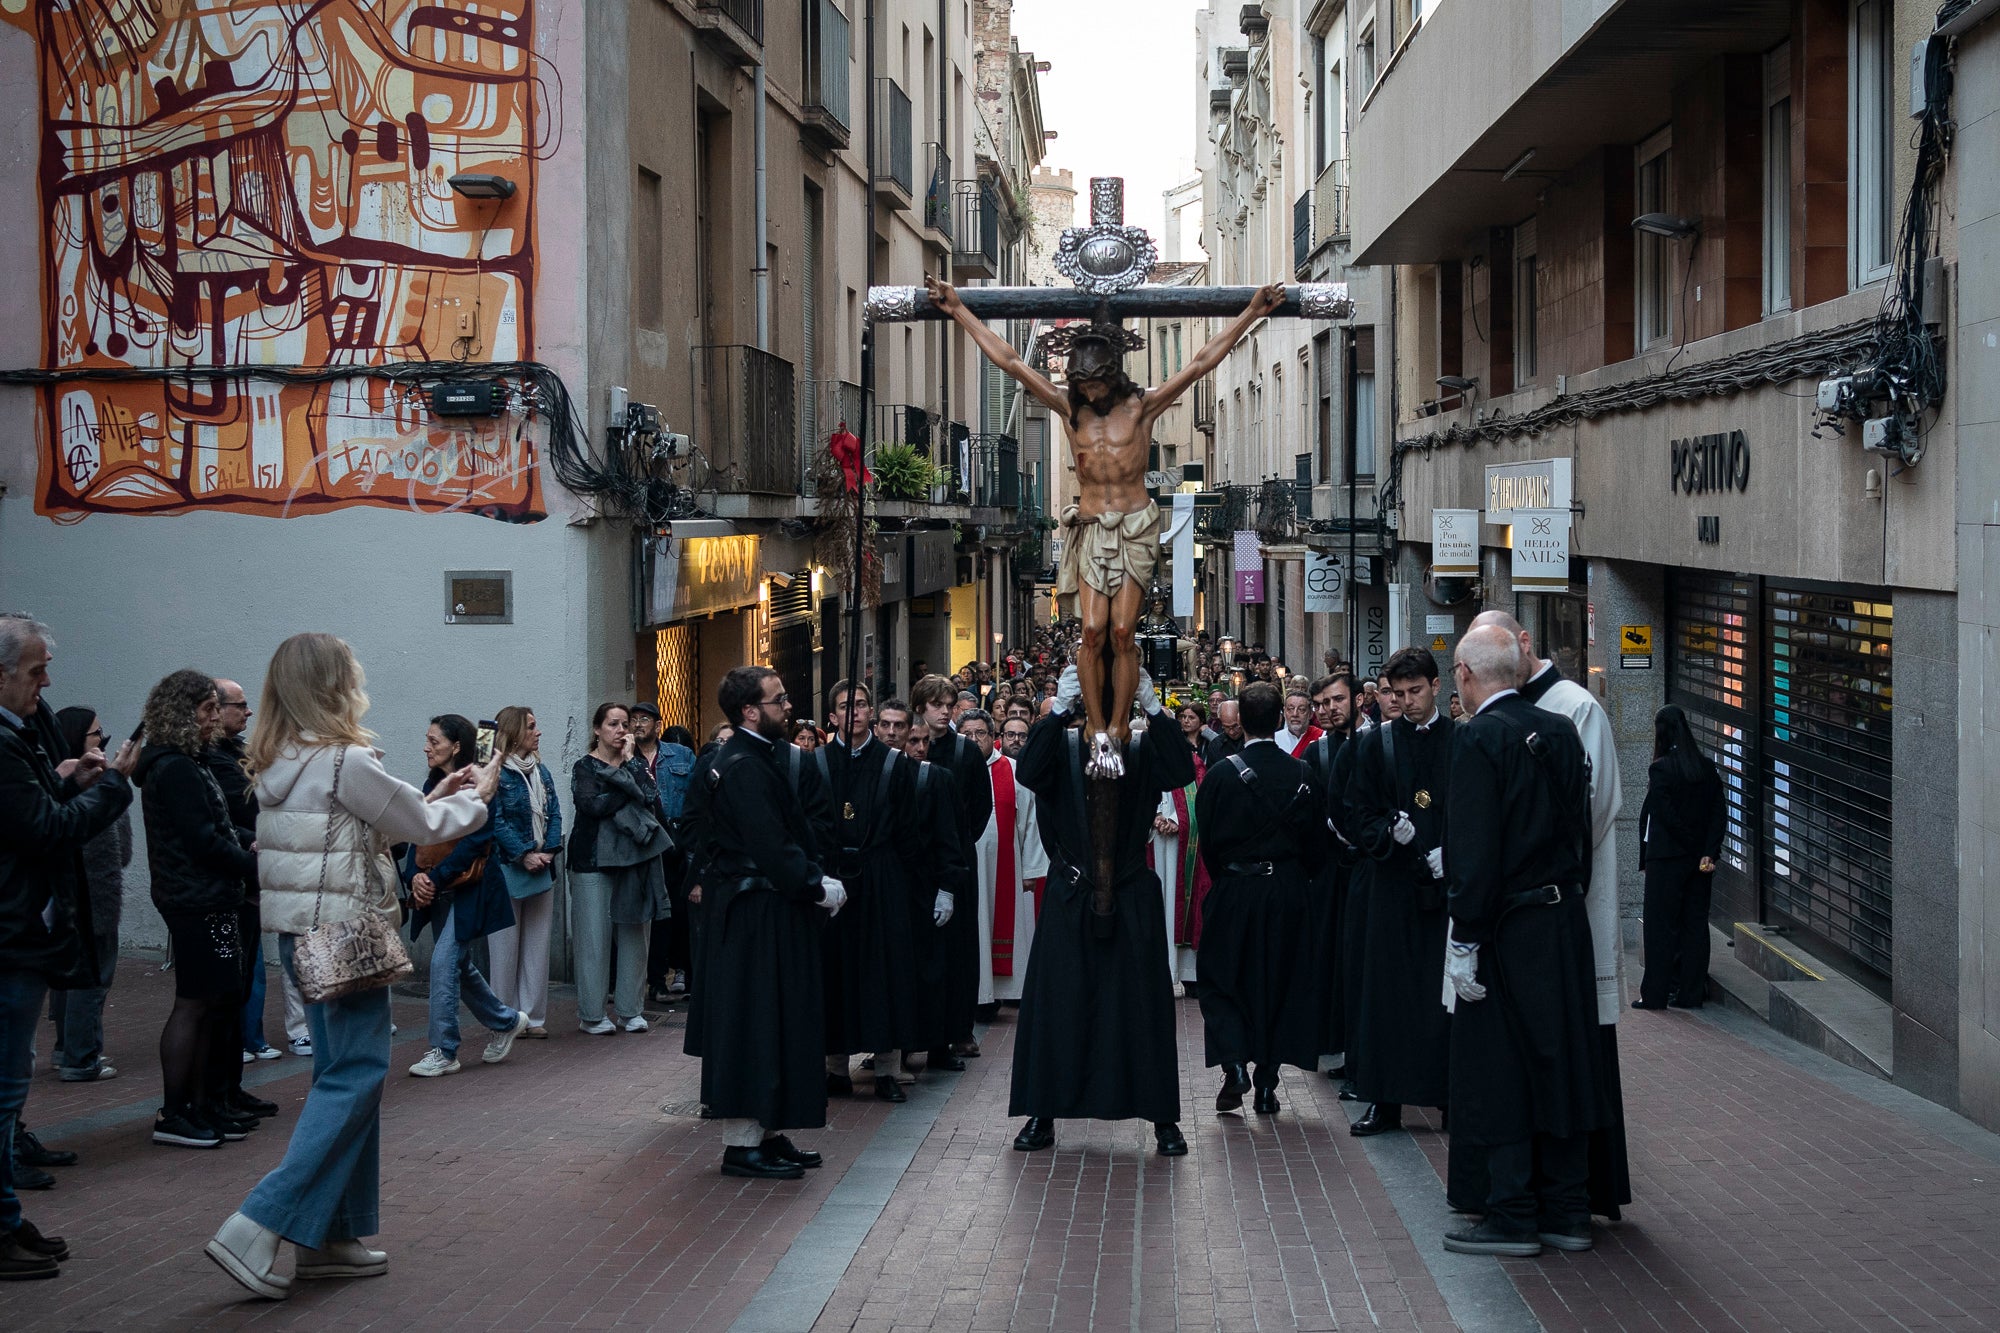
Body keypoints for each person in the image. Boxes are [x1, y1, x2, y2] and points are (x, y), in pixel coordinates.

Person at [206, 632, 494, 1298]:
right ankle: (260, 1220)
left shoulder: (278, 757)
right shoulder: (343, 759)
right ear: (334, 683)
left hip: (302, 933)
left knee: (343, 1073)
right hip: (348, 930)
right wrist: (474, 795)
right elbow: (421, 822)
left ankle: (332, 1234)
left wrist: (437, 796)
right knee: (355, 1076)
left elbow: (370, 825)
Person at [929, 274, 1284, 777]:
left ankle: (1119, 724)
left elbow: (1203, 361)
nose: (1088, 390)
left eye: (1095, 383)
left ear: (1113, 375)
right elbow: (1008, 360)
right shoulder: (1068, 407)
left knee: (1122, 631)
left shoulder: (1142, 406)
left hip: (1137, 525)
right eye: (1081, 383)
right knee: (1091, 632)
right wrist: (959, 309)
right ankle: (1097, 726)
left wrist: (1252, 312)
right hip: (1093, 528)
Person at [1440, 626, 1608, 1257]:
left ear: (1463, 675)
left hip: (1506, 929)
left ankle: (1512, 1212)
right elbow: (1582, 830)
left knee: (1500, 1068)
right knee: (1563, 1061)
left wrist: (1464, 938)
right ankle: (1568, 1210)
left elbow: (1474, 854)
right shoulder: (1560, 730)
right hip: (1561, 922)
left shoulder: (1477, 739)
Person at [1470, 609, 1632, 1218]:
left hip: (1560, 901)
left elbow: (1590, 810)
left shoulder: (1573, 706)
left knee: (1565, 1050)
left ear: (1524, 645)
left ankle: (1566, 1193)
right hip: (1524, 908)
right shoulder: (1500, 712)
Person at [1010, 665, 1194, 1157]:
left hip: (1132, 890)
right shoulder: (1062, 745)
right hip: (1071, 890)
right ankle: (1042, 1113)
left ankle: (1163, 1119)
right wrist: (1057, 711)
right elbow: (1027, 771)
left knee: (1143, 1008)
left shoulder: (1142, 746)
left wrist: (1157, 711)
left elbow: (1181, 772)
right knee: (1058, 1004)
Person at [1, 616, 135, 1280]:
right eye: (35, 670)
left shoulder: (17, 737)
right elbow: (43, 831)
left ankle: (5, 1216)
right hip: (12, 937)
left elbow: (36, 814)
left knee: (9, 1082)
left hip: (24, 932)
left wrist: (69, 780)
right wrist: (108, 786)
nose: (46, 682)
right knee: (4, 1086)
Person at [682, 667, 845, 1179]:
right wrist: (813, 883)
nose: (787, 706)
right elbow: (767, 842)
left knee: (775, 1019)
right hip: (754, 913)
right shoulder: (742, 764)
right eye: (777, 700)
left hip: (767, 909)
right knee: (753, 1021)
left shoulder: (756, 756)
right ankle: (743, 1143)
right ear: (750, 710)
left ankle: (768, 1132)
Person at [134, 669, 261, 1149]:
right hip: (195, 900)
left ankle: (206, 1103)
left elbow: (222, 830)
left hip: (211, 897)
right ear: (184, 713)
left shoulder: (190, 762)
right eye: (208, 709)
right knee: (195, 1003)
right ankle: (176, 1111)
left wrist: (246, 851)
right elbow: (204, 841)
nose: (214, 719)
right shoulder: (175, 767)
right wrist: (252, 864)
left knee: (216, 1001)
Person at [1194, 683, 1325, 1116]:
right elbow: (1316, 845)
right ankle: (1268, 1082)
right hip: (1288, 891)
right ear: (1278, 720)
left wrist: (1231, 877)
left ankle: (1234, 1062)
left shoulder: (1219, 775)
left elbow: (1207, 840)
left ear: (1241, 723)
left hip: (1235, 889)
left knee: (1222, 978)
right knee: (1281, 981)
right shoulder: (1303, 774)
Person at [1344, 648, 1454, 1138]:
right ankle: (1384, 1101)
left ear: (1436, 685)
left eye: (1415, 691)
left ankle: (1451, 1094)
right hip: (1391, 886)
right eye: (1397, 693)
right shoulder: (1375, 745)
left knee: (1444, 993)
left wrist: (1454, 849)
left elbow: (1479, 806)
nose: (1406, 702)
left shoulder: (1462, 740)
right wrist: (1389, 830)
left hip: (1446, 888)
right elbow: (1354, 810)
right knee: (1385, 995)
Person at [404, 715, 528, 1077]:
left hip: (470, 888)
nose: (426, 747)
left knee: (444, 961)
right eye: (426, 739)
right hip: (439, 886)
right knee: (459, 965)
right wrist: (414, 877)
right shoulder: (431, 783)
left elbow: (477, 840)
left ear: (456, 746)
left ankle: (444, 1049)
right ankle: (504, 1022)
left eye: (434, 741)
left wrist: (434, 879)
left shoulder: (480, 781)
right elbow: (417, 831)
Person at [880, 705, 973, 1076]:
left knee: (934, 972)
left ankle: (938, 1043)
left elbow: (951, 837)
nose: (918, 746)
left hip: (928, 886)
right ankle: (897, 1047)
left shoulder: (938, 779)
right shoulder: (883, 775)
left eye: (922, 740)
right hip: (894, 886)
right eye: (912, 739)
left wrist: (947, 887)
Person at [569, 704, 670, 1035]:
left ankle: (630, 1011)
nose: (621, 730)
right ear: (597, 729)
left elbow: (653, 799)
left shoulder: (636, 763)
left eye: (625, 724)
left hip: (634, 859)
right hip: (592, 861)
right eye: (613, 724)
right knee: (594, 939)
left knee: (635, 935)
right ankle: (592, 1015)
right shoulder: (584, 767)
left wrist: (629, 767)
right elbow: (591, 805)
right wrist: (629, 790)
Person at [911, 673, 992, 1049]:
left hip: (958, 863)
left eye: (949, 706)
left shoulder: (965, 752)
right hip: (917, 866)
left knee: (960, 946)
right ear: (920, 708)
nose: (945, 713)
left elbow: (980, 808)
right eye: (937, 706)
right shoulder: (910, 750)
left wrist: (957, 847)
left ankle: (959, 1028)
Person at [49, 707, 130, 1083]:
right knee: (93, 977)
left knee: (70, 975)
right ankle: (81, 1057)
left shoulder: (55, 781)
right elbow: (120, 848)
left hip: (72, 895)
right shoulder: (90, 784)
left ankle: (67, 1048)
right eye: (96, 734)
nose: (102, 740)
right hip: (94, 894)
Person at [202, 680, 280, 1070]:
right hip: (228, 881)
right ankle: (223, 1071)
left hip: (246, 875)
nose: (248, 713)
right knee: (228, 983)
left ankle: (234, 1066)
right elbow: (247, 806)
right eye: (241, 705)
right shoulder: (210, 759)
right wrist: (254, 842)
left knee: (247, 974)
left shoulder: (235, 751)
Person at [1635, 705, 1725, 1010]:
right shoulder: (1706, 767)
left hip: (1667, 858)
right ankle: (1690, 994)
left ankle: (1656, 995)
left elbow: (1664, 814)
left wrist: (1686, 843)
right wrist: (1707, 850)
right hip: (1700, 862)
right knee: (1695, 926)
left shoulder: (1660, 769)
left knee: (1660, 927)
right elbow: (1718, 814)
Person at [962, 709, 1047, 1008]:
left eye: (980, 734)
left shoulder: (1013, 771)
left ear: (992, 737)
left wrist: (1031, 869)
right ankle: (973, 995)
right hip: (963, 867)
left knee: (996, 927)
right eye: (967, 735)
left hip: (1004, 870)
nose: (973, 740)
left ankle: (994, 997)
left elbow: (1030, 821)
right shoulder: (952, 767)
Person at [486, 706, 561, 1039]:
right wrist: (523, 855)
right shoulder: (496, 772)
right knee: (504, 948)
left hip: (542, 864)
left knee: (537, 944)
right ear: (515, 731)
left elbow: (555, 812)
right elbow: (494, 819)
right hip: (507, 866)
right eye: (531, 726)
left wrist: (548, 851)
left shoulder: (540, 771)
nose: (538, 732)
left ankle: (532, 1017)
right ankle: (502, 1017)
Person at [1302, 674, 1357, 1075]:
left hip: (1367, 867)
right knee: (1328, 953)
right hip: (1327, 871)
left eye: (1336, 700)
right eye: (1322, 704)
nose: (1329, 709)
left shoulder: (1375, 742)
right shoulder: (1316, 754)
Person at [1154, 700, 1211, 990]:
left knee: (1178, 901)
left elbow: (1199, 797)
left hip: (1180, 844)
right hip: (1154, 844)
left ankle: (1183, 971)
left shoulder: (1193, 760)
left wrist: (1178, 821)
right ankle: (1158, 971)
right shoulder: (1144, 753)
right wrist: (1154, 817)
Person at [1277, 683, 1324, 757]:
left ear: (1311, 714)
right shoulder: (1275, 739)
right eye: (1290, 709)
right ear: (1284, 712)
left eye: (1301, 709)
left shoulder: (1321, 738)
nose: (1295, 714)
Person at [1203, 700, 1245, 767]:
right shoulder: (1215, 745)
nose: (1232, 732)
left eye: (1235, 726)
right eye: (1226, 727)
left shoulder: (1253, 739)